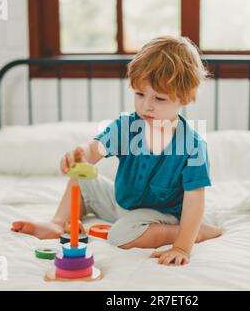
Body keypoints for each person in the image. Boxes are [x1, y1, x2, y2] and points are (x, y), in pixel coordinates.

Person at [11, 36, 223, 266]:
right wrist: (80, 155)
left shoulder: (192, 146)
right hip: (121, 201)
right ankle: (58, 222)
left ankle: (192, 232)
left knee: (120, 235)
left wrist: (182, 246)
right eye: (140, 94)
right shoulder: (126, 127)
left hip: (161, 214)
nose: (146, 105)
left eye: (159, 98)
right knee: (82, 176)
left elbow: (194, 201)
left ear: (185, 98)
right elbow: (94, 150)